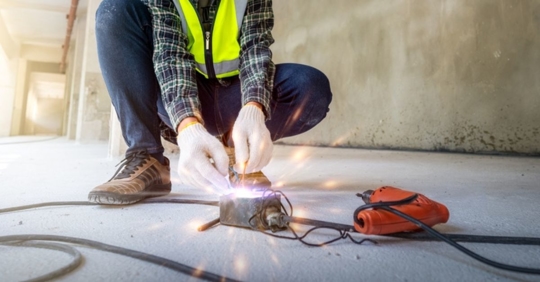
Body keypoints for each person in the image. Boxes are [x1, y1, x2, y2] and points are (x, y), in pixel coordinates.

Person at [88, 0, 332, 205]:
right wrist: (187, 125)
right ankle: (147, 157)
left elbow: (255, 47)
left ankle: (239, 151)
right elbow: (169, 53)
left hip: (234, 98)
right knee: (116, 10)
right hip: (181, 97)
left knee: (310, 87)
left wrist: (254, 107)